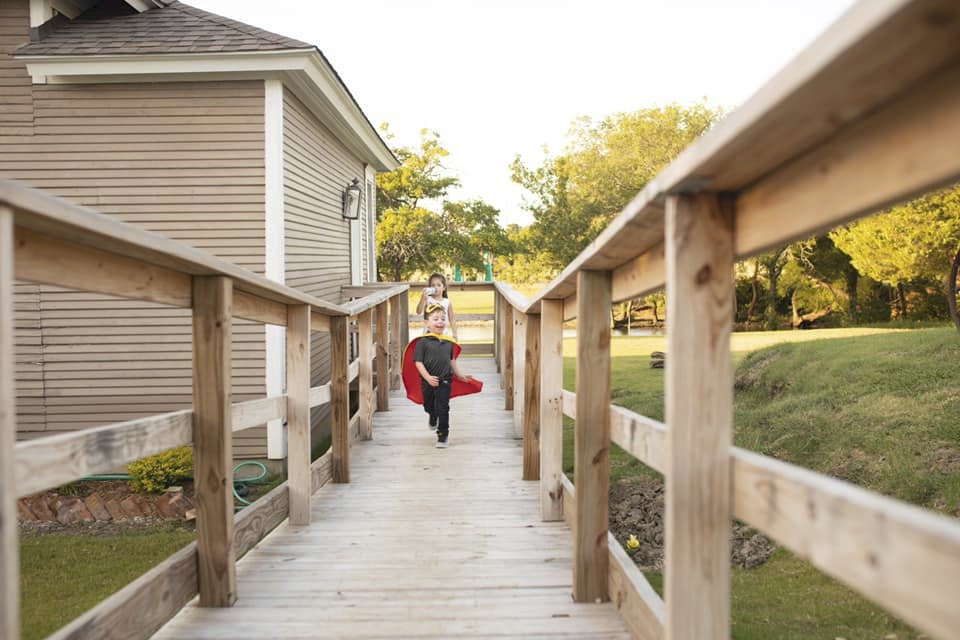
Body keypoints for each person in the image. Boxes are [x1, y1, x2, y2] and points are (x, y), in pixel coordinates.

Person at [409, 303, 479, 448]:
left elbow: (452, 360)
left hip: (445, 379)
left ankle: (443, 435)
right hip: (428, 380)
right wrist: (428, 378)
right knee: (429, 405)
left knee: (443, 407)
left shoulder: (448, 343)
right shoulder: (422, 342)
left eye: (442, 318)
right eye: (435, 319)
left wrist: (460, 375)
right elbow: (418, 362)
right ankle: (432, 416)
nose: (440, 322)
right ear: (426, 323)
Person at [415, 272, 458, 340]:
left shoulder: (447, 302)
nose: (436, 287)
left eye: (438, 285)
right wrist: (423, 298)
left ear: (444, 287)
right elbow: (418, 311)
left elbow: (452, 319)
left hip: (443, 334)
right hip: (429, 334)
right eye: (433, 285)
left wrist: (455, 334)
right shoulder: (428, 300)